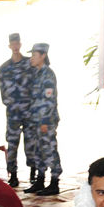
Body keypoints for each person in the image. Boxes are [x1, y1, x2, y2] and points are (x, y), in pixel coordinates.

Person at [0, 33, 36, 188]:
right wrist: (9, 103)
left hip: (29, 110)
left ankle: (34, 173)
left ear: (20, 44)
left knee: (31, 142)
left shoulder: (29, 64)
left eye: (17, 43)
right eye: (12, 44)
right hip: (13, 112)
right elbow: (2, 90)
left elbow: (35, 85)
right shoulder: (4, 67)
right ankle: (12, 174)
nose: (15, 46)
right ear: (9, 46)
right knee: (12, 143)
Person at [25, 43, 61, 196]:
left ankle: (54, 182)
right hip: (35, 120)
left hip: (45, 121)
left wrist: (45, 121)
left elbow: (49, 100)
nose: (31, 58)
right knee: (38, 151)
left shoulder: (48, 75)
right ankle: (40, 180)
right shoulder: (37, 74)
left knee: (49, 149)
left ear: (43, 56)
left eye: (34, 55)